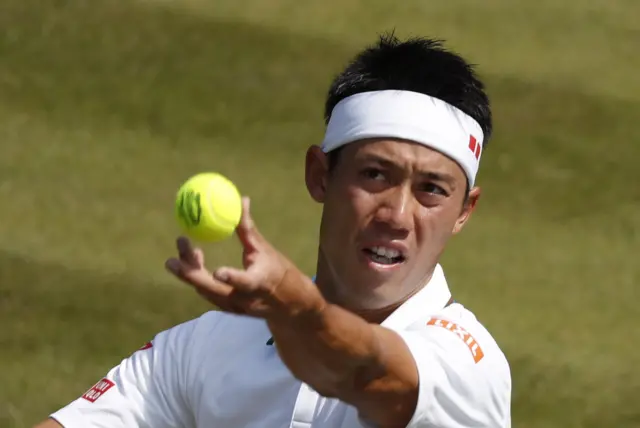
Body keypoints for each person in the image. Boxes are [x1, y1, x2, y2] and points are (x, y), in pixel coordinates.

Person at [35, 33, 511, 428]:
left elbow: (372, 374)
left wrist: (290, 302)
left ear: (464, 211)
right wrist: (290, 309)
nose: (396, 215)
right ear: (320, 175)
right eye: (374, 175)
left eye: (431, 190)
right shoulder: (210, 344)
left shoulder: (466, 363)